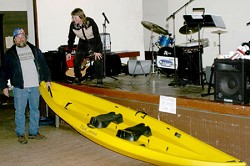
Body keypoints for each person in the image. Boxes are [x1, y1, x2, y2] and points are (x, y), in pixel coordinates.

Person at [0, 28, 52, 144]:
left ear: (25, 37)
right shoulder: (9, 54)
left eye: (22, 36)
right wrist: (4, 86)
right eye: (18, 37)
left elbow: (44, 65)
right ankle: (21, 133)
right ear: (14, 40)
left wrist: (48, 79)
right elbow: (4, 71)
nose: (21, 38)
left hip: (35, 86)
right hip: (20, 88)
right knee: (20, 112)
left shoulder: (35, 50)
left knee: (35, 110)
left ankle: (33, 132)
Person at [66, 8, 104, 84]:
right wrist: (69, 52)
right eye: (72, 17)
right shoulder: (73, 25)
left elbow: (97, 36)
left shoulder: (90, 22)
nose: (74, 19)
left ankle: (99, 78)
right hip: (83, 41)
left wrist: (97, 51)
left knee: (98, 58)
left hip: (93, 40)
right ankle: (78, 77)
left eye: (75, 17)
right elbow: (71, 38)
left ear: (81, 17)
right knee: (77, 59)